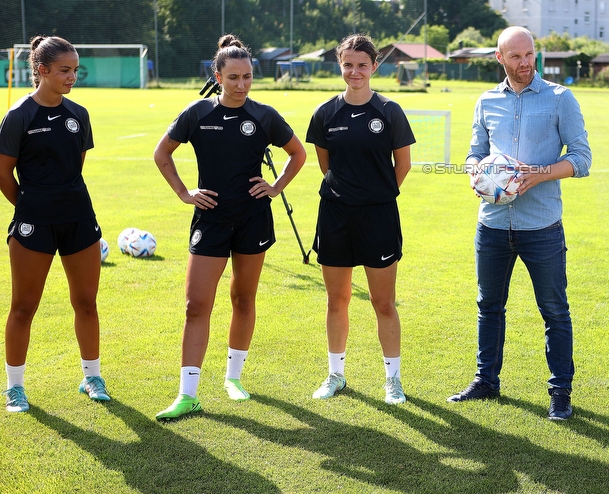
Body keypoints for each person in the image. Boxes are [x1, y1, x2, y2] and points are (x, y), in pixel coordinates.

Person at [153, 35, 306, 420]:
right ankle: (188, 394)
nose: (241, 84)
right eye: (233, 77)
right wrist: (184, 192)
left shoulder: (264, 115)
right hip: (211, 219)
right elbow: (162, 152)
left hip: (253, 217)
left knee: (243, 298)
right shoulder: (198, 114)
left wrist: (275, 187)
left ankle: (233, 379)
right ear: (217, 76)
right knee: (196, 304)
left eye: (248, 77)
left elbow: (298, 154)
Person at [447, 26, 591, 421]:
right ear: (500, 58)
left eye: (530, 55)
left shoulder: (560, 98)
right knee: (488, 306)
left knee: (554, 310)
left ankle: (560, 392)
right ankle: (486, 381)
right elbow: (473, 154)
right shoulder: (486, 101)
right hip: (492, 225)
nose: (525, 63)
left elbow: (581, 159)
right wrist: (477, 174)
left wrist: (537, 174)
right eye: (516, 57)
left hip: (542, 227)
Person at [0, 35, 110, 412]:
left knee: (86, 302)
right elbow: (3, 175)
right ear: (41, 70)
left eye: (75, 70)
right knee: (23, 307)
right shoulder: (18, 116)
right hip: (34, 225)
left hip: (79, 218)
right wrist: (31, 207)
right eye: (64, 70)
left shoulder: (79, 114)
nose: (71, 77)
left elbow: (75, 165)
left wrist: (60, 201)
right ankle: (14, 387)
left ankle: (92, 376)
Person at [306, 33, 414, 405]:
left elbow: (403, 165)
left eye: (362, 65)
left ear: (374, 67)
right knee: (337, 300)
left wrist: (376, 194)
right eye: (348, 65)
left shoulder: (388, 111)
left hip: (378, 217)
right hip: (335, 215)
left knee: (383, 303)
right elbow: (326, 165)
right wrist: (348, 193)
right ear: (340, 66)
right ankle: (336, 375)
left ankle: (393, 381)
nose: (355, 71)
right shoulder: (325, 113)